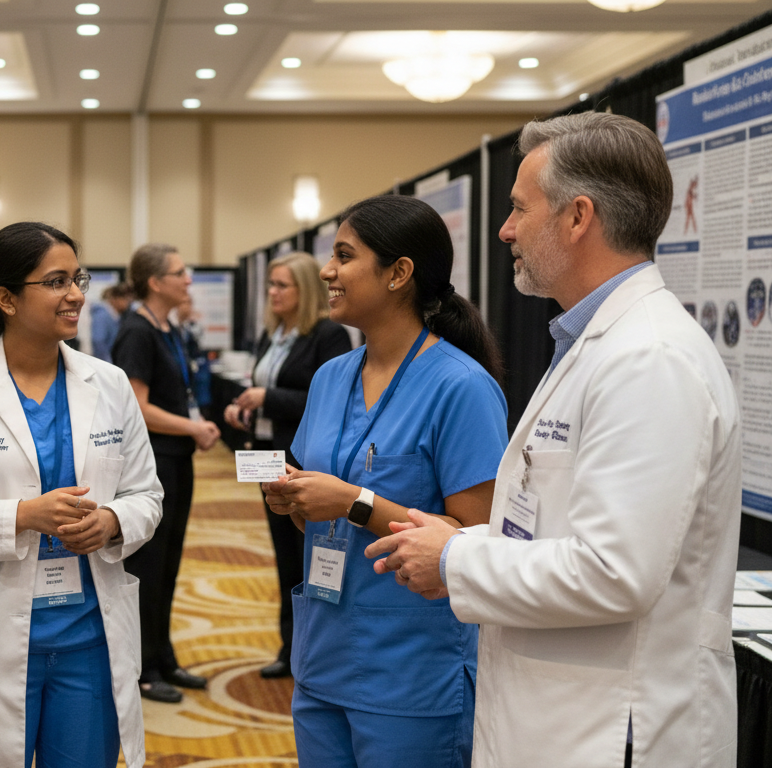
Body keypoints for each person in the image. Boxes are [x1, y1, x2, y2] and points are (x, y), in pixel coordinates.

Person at [366, 112, 741, 768]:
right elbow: (563, 532)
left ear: (577, 218)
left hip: (613, 729)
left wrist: (456, 560)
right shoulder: (595, 344)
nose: (506, 230)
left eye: (518, 208)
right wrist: (462, 541)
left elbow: (614, 572)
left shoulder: (647, 357)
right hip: (566, 718)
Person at [0, 221, 162, 768]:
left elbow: (147, 493)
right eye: (56, 281)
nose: (75, 294)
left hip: (89, 637)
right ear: (7, 298)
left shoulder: (109, 384)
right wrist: (21, 516)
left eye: (79, 278)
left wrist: (113, 520)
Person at [264, 195, 507, 768]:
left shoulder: (460, 387)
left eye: (344, 256)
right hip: (323, 651)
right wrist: (295, 500)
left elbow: (479, 536)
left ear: (399, 274)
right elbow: (313, 508)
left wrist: (353, 503)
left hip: (410, 669)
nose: (327, 271)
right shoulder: (330, 378)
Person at [222, 251, 351, 679]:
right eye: (270, 285)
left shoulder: (327, 335)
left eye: (282, 285)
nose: (273, 293)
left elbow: (327, 400)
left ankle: (316, 650)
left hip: (302, 462)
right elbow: (263, 389)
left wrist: (267, 399)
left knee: (310, 555)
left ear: (305, 289)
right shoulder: (271, 334)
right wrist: (244, 408)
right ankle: (289, 647)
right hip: (265, 456)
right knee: (282, 556)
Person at [111, 243, 221, 703]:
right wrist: (193, 426)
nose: (189, 280)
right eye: (180, 272)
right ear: (156, 282)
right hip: (152, 463)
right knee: (148, 566)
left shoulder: (168, 328)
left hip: (176, 459)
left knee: (170, 561)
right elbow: (137, 407)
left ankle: (164, 657)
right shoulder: (137, 331)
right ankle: (141, 667)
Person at [90, 282, 133, 362]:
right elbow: (98, 341)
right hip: (104, 364)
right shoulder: (102, 316)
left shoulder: (117, 316)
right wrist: (108, 363)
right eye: (125, 299)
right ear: (115, 299)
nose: (128, 303)